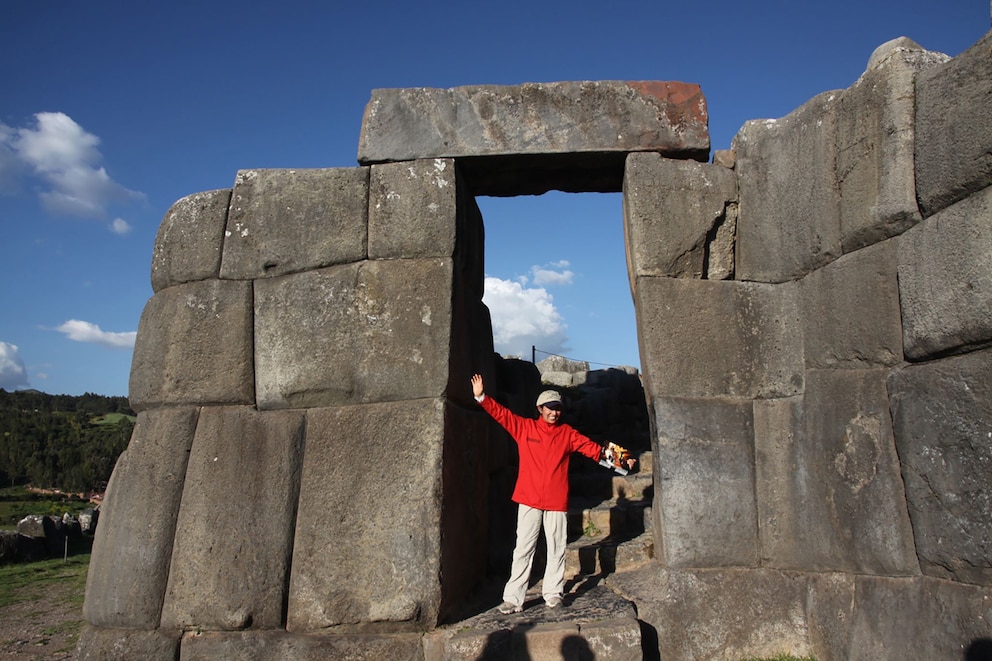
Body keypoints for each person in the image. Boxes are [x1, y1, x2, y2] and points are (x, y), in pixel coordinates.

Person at [470, 373, 635, 614]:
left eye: (557, 408)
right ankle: (514, 599)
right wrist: (481, 397)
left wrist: (624, 458)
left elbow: (592, 448)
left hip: (557, 501)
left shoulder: (568, 433)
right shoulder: (524, 427)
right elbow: (502, 415)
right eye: (549, 408)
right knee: (523, 549)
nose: (554, 412)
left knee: (557, 548)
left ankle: (553, 593)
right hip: (529, 499)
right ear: (539, 408)